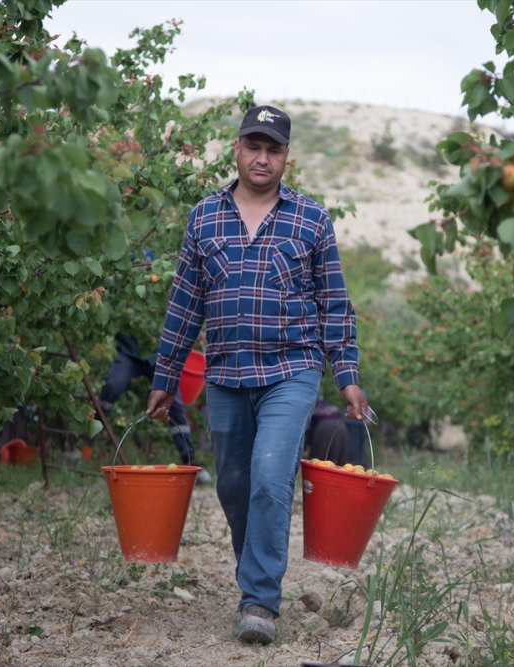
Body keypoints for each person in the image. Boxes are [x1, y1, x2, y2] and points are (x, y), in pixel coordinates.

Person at [146, 104, 369, 645]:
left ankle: (260, 601)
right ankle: (256, 577)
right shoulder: (204, 217)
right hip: (224, 373)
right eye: (254, 146)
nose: (262, 157)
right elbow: (185, 303)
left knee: (271, 477)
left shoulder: (311, 219)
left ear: (286, 157)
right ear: (238, 150)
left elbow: (334, 304)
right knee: (235, 486)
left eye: (273, 149)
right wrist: (165, 375)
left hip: (290, 370)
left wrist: (347, 373)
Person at [99, 332, 212, 485]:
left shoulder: (161, 309)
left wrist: (192, 330)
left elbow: (178, 312)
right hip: (129, 352)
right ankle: (92, 439)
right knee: (112, 386)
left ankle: (190, 461)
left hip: (158, 355)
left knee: (174, 401)